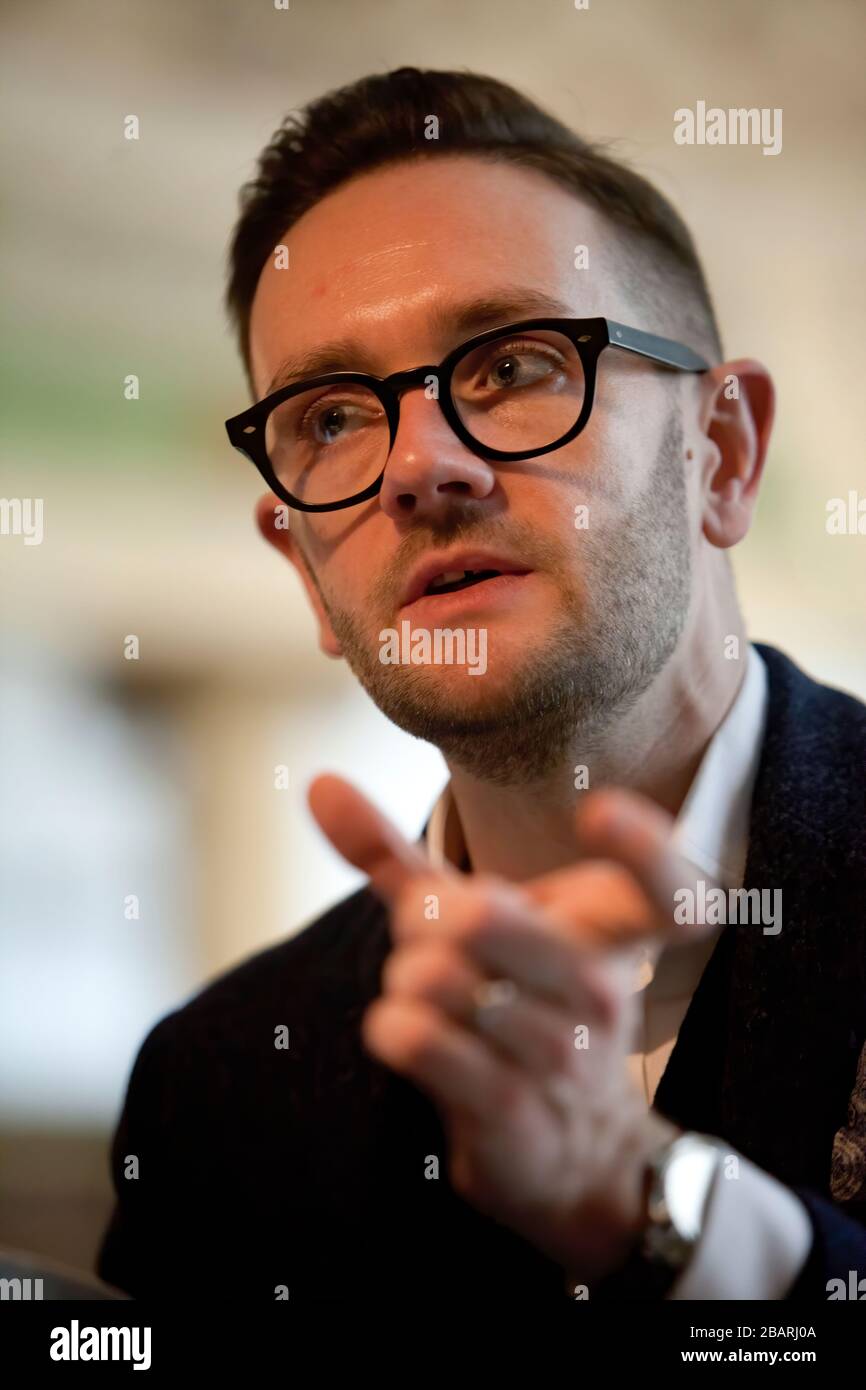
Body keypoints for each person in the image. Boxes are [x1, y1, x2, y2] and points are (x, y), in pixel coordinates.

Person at [98, 67, 866, 1302]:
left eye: (511, 365)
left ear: (718, 453)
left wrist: (667, 1222)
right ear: (303, 570)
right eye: (333, 416)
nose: (416, 467)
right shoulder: (217, 1087)